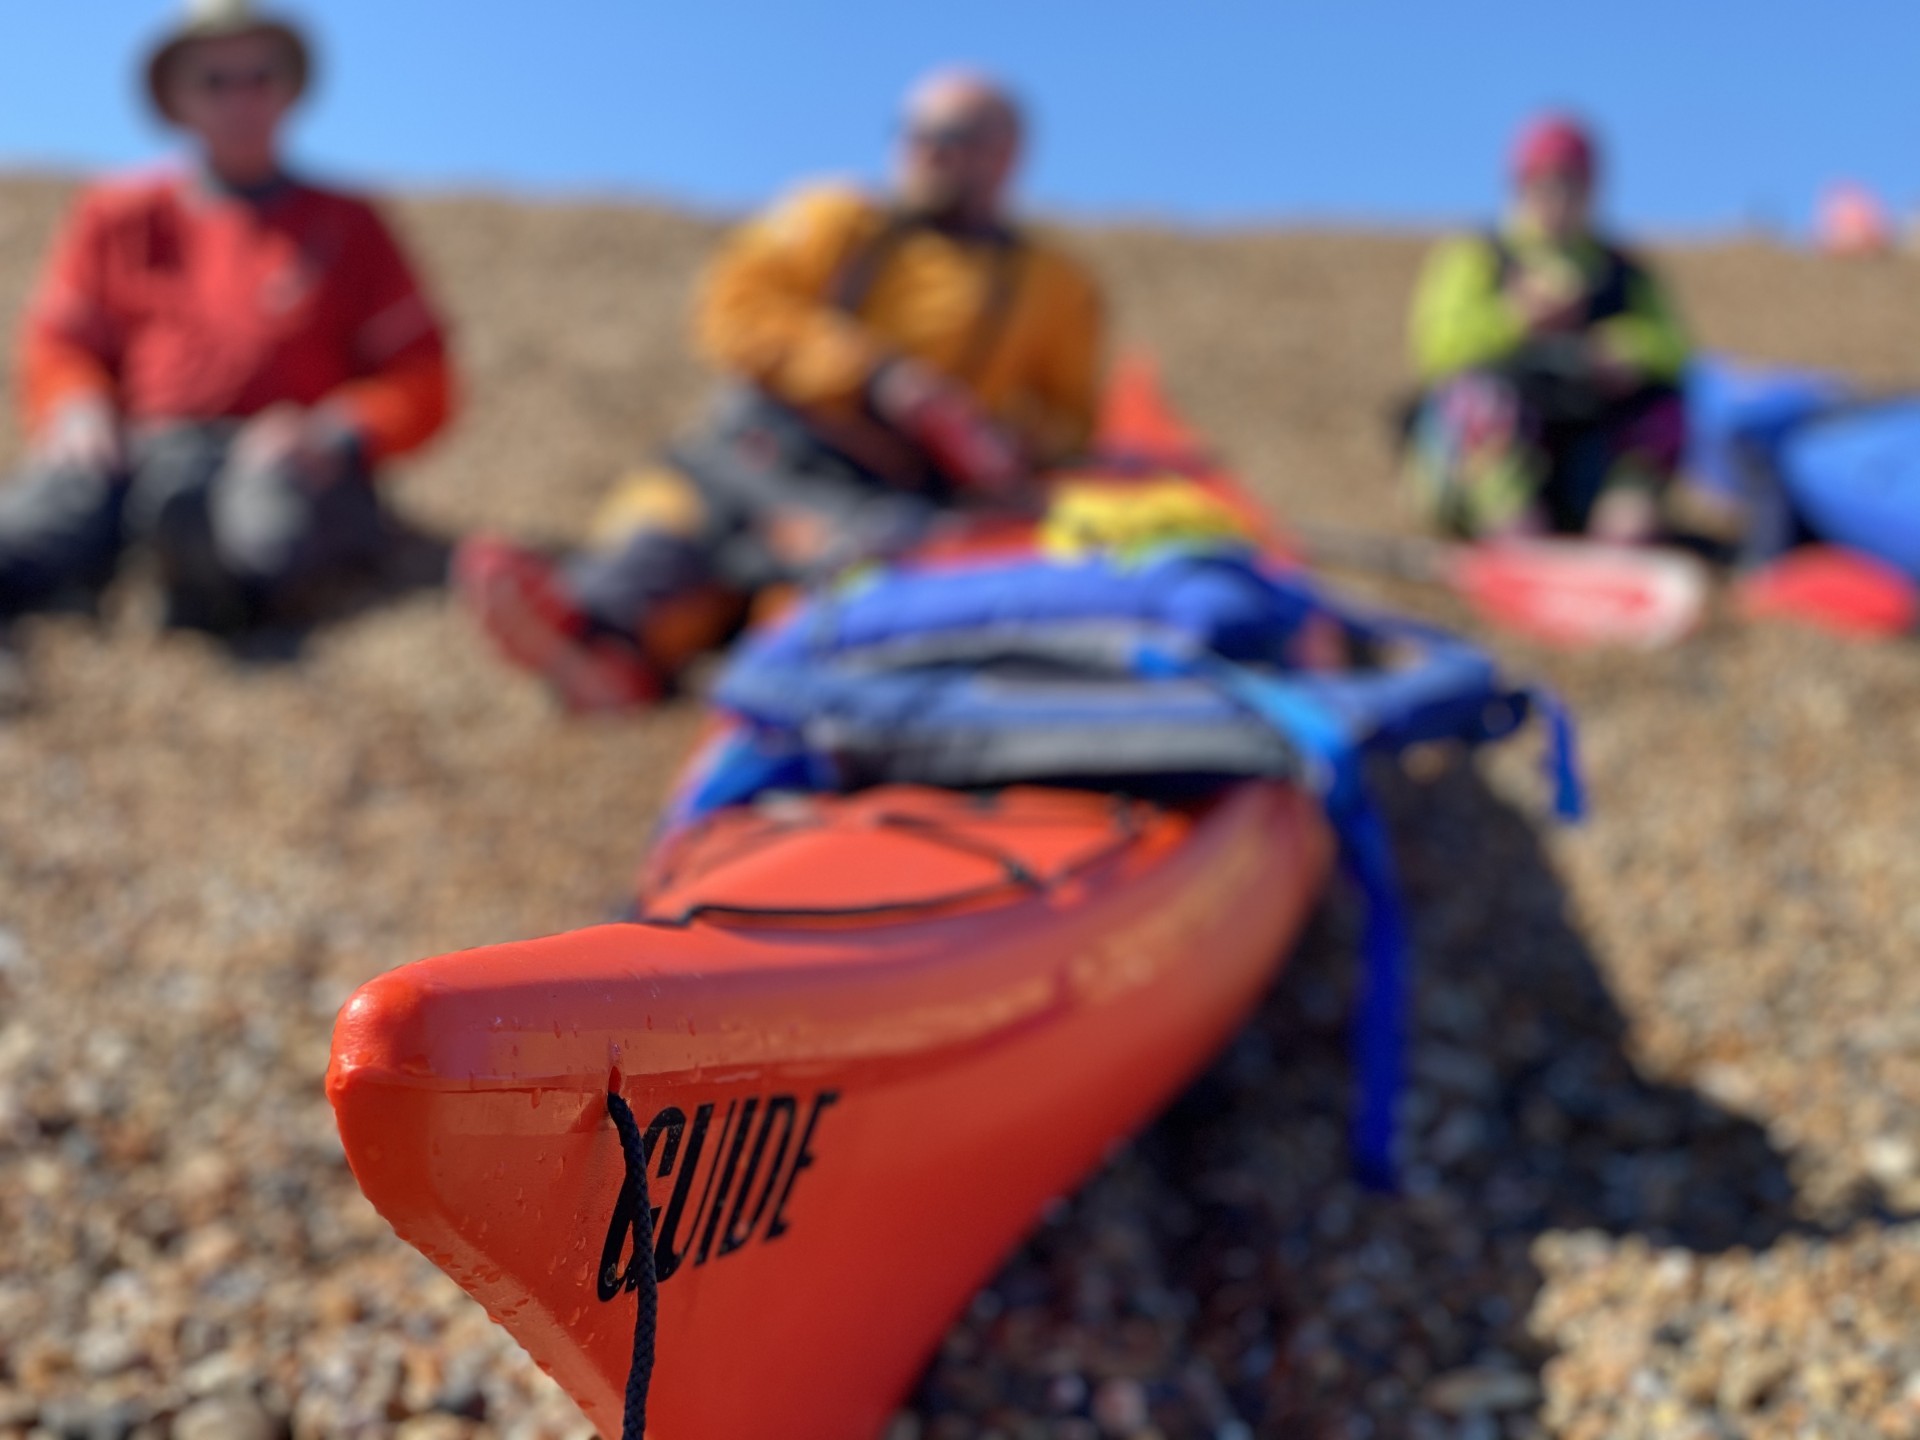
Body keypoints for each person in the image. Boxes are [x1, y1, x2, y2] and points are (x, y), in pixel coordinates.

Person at [458, 69, 1106, 711]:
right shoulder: (837, 218)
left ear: (1009, 153)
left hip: (884, 491)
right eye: (913, 129)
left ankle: (658, 665)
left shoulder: (1054, 285)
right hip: (761, 446)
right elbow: (732, 308)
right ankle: (597, 637)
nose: (927, 147)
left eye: (955, 133)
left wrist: (996, 440)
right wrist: (875, 376)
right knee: (669, 526)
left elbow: (1071, 420)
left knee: (829, 570)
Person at [3, 0, 454, 635]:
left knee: (259, 530)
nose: (241, 99)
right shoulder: (118, 216)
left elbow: (422, 376)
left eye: (260, 77)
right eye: (215, 81)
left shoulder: (348, 224)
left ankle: (199, 580)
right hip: (140, 449)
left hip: (277, 459)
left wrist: (332, 431)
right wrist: (77, 405)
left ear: (290, 89)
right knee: (40, 519)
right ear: (178, 99)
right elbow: (60, 343)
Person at [1403, 114, 1689, 543]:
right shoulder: (1477, 256)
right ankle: (1509, 525)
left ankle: (1624, 526)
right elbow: (1435, 350)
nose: (1558, 198)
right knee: (1478, 398)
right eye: (1545, 183)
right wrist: (1514, 318)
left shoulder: (1622, 272)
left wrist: (1629, 350)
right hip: (1486, 460)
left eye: (1573, 184)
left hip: (1584, 453)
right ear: (1520, 185)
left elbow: (1680, 351)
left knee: (1664, 410)